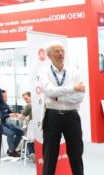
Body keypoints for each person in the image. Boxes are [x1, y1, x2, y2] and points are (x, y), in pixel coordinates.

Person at [40, 40, 85, 175]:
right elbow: (49, 91)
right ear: (49, 55)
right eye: (57, 51)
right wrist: (72, 88)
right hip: (52, 116)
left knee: (76, 153)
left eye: (62, 51)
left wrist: (58, 97)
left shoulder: (74, 72)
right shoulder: (44, 72)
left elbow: (79, 97)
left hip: (72, 115)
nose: (61, 53)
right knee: (50, 155)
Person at [0, 89, 25, 157]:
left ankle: (12, 149)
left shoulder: (5, 104)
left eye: (6, 96)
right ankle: (11, 151)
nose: (5, 98)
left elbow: (10, 112)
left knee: (20, 133)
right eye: (3, 96)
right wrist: (8, 115)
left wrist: (17, 114)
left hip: (4, 124)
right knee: (11, 133)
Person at [18, 91, 34, 156]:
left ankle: (31, 152)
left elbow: (21, 118)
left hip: (31, 131)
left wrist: (18, 115)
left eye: (26, 98)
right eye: (24, 99)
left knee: (26, 132)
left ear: (31, 97)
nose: (25, 101)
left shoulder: (29, 105)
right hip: (41, 129)